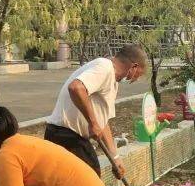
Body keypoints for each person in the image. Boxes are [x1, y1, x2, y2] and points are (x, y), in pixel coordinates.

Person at [45, 45, 148, 176]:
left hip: (73, 138)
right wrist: (92, 123)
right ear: (134, 67)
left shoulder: (112, 81)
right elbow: (76, 88)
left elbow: (102, 123)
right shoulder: (104, 67)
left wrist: (115, 158)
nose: (135, 79)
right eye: (138, 74)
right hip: (65, 136)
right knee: (90, 184)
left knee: (88, 184)